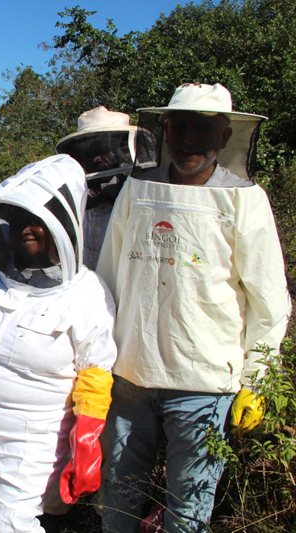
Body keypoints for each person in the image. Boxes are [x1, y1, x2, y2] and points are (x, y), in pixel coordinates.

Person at [97, 83, 291, 532]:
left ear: (225, 135)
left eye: (203, 128)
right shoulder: (136, 187)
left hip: (204, 380)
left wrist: (256, 381)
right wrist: (96, 359)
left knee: (188, 507)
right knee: (120, 495)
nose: (189, 138)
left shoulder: (244, 198)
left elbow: (269, 299)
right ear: (165, 131)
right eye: (179, 126)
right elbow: (107, 279)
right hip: (130, 373)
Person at [0, 154, 118, 532]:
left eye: (36, 220)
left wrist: (87, 443)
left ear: (61, 223)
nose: (25, 230)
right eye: (16, 221)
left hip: (33, 441)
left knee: (9, 525)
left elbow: (95, 375)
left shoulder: (86, 295)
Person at [55, 106, 154, 269]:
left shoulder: (137, 188)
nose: (96, 159)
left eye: (103, 151)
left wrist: (120, 198)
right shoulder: (77, 188)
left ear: (120, 151)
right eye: (89, 153)